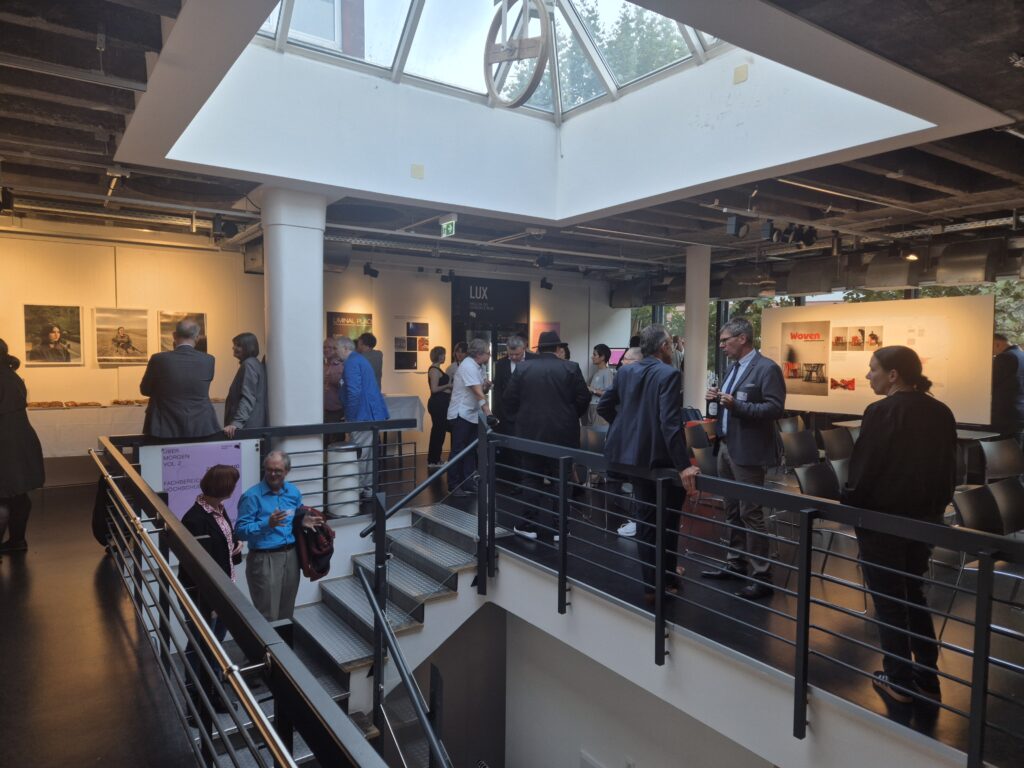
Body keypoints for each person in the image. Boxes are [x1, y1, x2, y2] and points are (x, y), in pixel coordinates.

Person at [843, 345, 956, 705]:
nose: (868, 375)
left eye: (873, 368)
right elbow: (950, 469)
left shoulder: (881, 412)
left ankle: (899, 679)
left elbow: (865, 468)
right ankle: (926, 675)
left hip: (883, 522)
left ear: (893, 374)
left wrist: (851, 504)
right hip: (924, 522)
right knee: (913, 593)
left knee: (889, 600)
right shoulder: (940, 411)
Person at [598, 325, 688, 603]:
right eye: (670, 346)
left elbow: (604, 406)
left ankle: (653, 584)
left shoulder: (625, 371)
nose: (672, 350)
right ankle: (668, 579)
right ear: (663, 347)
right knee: (669, 521)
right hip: (661, 461)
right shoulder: (669, 374)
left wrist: (628, 429)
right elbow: (670, 424)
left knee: (647, 522)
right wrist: (684, 466)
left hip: (633, 460)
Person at [699, 316, 785, 600]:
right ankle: (735, 564)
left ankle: (762, 576)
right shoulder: (733, 368)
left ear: (742, 338)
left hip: (748, 452)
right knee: (732, 509)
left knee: (751, 513)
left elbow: (774, 409)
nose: (721, 345)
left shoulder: (767, 369)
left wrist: (737, 404)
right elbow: (731, 403)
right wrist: (718, 397)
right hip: (725, 447)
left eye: (725, 340)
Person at [504, 330, 590, 539]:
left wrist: (521, 418)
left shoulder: (523, 368)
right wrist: (569, 417)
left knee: (531, 479)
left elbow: (508, 398)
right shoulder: (571, 367)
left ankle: (528, 525)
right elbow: (583, 398)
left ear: (538, 349)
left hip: (529, 433)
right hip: (563, 434)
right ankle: (560, 528)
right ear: (558, 348)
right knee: (561, 480)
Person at [180, 464, 242, 712]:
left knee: (214, 645)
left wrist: (234, 546)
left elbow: (221, 545)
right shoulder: (195, 519)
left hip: (224, 589)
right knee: (199, 646)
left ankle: (214, 693)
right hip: (206, 595)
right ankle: (195, 702)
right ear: (224, 488)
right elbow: (196, 565)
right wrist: (212, 602)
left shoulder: (218, 509)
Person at [234, 451, 322, 621]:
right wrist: (267, 524)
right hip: (264, 559)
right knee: (267, 615)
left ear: (287, 471)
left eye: (278, 471)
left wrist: (301, 521)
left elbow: (295, 514)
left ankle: (284, 646)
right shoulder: (251, 496)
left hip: (290, 557)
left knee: (286, 613)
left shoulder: (293, 492)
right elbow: (240, 531)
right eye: (269, 470)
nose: (272, 474)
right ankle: (266, 648)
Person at [140, 318, 220, 439]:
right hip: (202, 425)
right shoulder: (209, 360)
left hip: (164, 426)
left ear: (174, 335)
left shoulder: (158, 359)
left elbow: (145, 390)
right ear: (197, 337)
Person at [0, 339, 45, 554]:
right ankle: (17, 540)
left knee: (4, 495)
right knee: (18, 494)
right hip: (20, 437)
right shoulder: (12, 374)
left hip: (5, 441)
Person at [337, 336, 389, 498]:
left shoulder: (352, 362)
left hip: (362, 416)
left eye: (336, 349)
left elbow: (354, 392)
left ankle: (358, 489)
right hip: (369, 414)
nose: (335, 352)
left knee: (361, 454)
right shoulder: (359, 360)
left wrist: (350, 417)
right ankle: (367, 488)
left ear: (345, 348)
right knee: (368, 454)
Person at [446, 338, 492, 496]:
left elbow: (481, 390)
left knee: (471, 450)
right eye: (488, 352)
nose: (490, 355)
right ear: (479, 354)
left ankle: (467, 482)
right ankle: (453, 485)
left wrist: (486, 386)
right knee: (458, 450)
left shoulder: (480, 366)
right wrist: (489, 413)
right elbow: (477, 393)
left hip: (471, 414)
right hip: (461, 413)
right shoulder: (468, 366)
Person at [224, 332, 268, 438]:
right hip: (251, 425)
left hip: (246, 427)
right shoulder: (254, 363)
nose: (233, 348)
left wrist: (236, 423)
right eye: (234, 345)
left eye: (238, 345)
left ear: (248, 347)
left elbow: (248, 396)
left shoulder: (249, 364)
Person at [991, 332, 1024, 444]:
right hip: (1019, 412)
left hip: (1004, 415)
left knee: (1002, 452)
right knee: (1016, 451)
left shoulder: (1004, 357)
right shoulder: (1021, 355)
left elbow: (992, 382)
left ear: (997, 344)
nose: (992, 353)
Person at [426, 346, 453, 467]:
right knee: (438, 431)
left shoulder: (437, 369)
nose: (445, 357)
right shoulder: (434, 370)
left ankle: (434, 459)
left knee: (438, 431)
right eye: (443, 354)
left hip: (441, 403)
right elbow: (434, 389)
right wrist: (448, 385)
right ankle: (434, 460)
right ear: (439, 355)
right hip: (438, 403)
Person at [586, 344, 615, 427]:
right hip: (592, 406)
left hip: (599, 407)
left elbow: (608, 394)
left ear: (602, 357)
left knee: (598, 435)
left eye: (595, 355)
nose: (592, 357)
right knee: (591, 434)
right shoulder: (596, 373)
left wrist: (592, 389)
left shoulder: (607, 372)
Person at [323, 337, 345, 445]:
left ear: (336, 349)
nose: (326, 350)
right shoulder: (321, 365)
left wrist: (335, 381)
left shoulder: (340, 366)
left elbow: (345, 386)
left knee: (336, 442)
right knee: (323, 440)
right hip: (322, 409)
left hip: (336, 410)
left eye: (330, 347)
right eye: (324, 347)